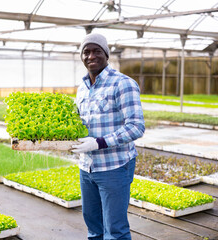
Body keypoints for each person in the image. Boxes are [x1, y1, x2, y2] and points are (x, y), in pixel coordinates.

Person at [71, 33, 145, 240]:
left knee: (115, 230)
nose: (91, 56)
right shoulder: (82, 88)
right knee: (93, 226)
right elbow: (80, 124)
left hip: (114, 167)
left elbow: (136, 127)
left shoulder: (123, 84)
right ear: (81, 57)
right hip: (87, 167)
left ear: (106, 55)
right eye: (86, 52)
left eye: (96, 51)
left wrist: (99, 143)